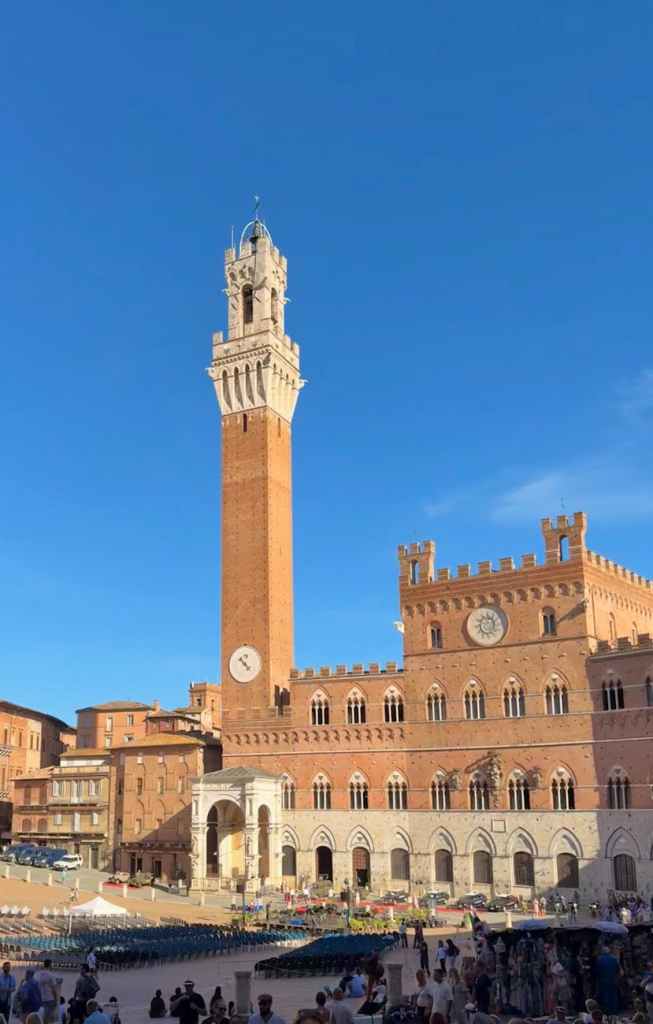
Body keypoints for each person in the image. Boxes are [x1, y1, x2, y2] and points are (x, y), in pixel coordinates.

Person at [595, 947, 621, 1020]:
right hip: (613, 981)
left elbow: (597, 971)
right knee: (613, 996)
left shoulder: (599, 959)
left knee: (605, 996)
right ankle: (614, 1011)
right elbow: (617, 970)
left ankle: (607, 1012)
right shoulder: (613, 959)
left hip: (602, 981)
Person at [35, 960, 60, 1024]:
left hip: (41, 999)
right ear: (50, 965)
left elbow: (37, 987)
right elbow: (54, 989)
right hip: (50, 999)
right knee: (48, 1018)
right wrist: (56, 1000)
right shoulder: (51, 975)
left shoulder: (38, 975)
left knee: (42, 1016)